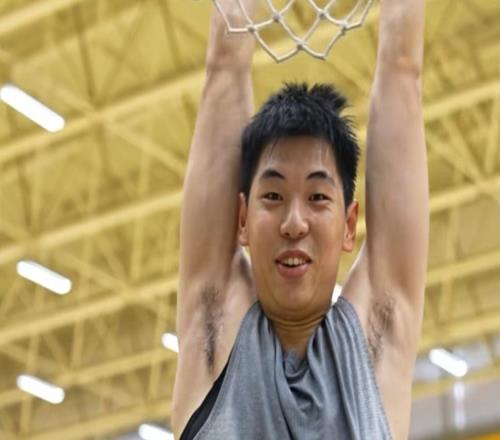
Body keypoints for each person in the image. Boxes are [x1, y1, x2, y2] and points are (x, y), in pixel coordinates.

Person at [172, 0, 428, 438]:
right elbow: (225, 62)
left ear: (349, 225)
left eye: (317, 197)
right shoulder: (213, 327)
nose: (294, 222)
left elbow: (403, 66)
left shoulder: (376, 340)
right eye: (273, 196)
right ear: (242, 219)